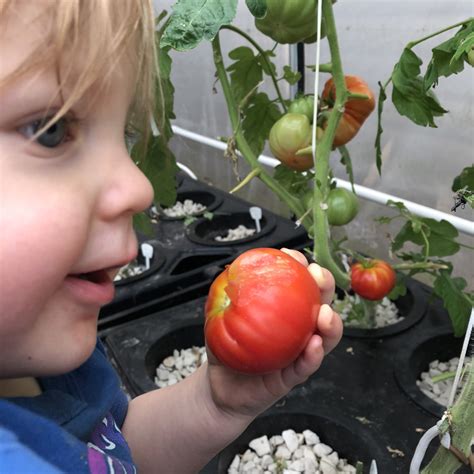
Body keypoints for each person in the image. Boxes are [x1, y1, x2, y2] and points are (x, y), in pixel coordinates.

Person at [0, 1, 343, 472]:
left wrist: (215, 403)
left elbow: (120, 453)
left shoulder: (49, 373)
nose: (140, 188)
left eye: (126, 133)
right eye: (51, 130)